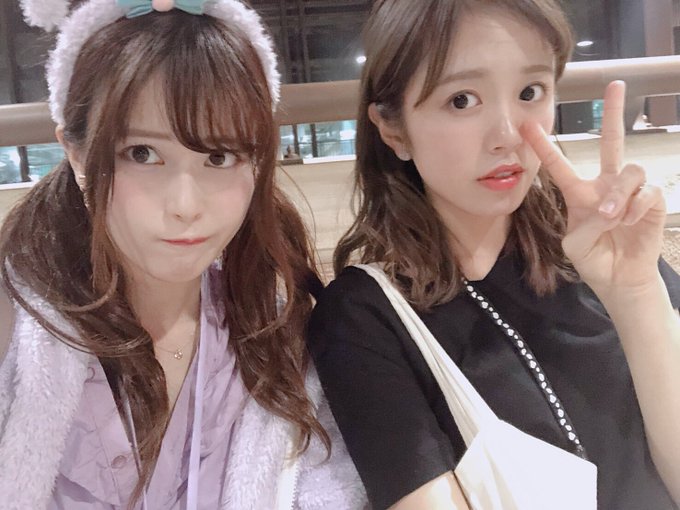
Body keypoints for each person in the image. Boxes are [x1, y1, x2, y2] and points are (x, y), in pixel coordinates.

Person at [307, 1, 680, 509]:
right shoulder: (363, 318)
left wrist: (635, 293)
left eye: (530, 92)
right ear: (393, 129)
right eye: (461, 100)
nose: (507, 136)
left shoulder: (602, 246)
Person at [0, 0, 366, 509]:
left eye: (219, 156)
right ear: (76, 153)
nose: (186, 205)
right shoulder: (15, 328)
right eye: (142, 154)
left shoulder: (271, 329)